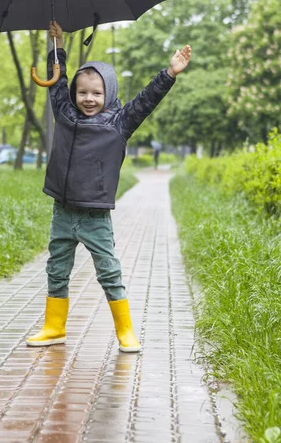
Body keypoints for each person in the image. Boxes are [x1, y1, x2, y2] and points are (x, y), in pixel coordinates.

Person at [26, 21, 191, 352]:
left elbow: (146, 100)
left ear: (110, 93)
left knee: (109, 271)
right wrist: (56, 45)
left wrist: (169, 74)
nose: (88, 99)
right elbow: (55, 83)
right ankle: (54, 326)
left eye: (97, 93)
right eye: (83, 92)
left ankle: (125, 331)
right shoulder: (65, 113)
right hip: (63, 209)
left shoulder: (119, 123)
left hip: (95, 215)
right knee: (57, 268)